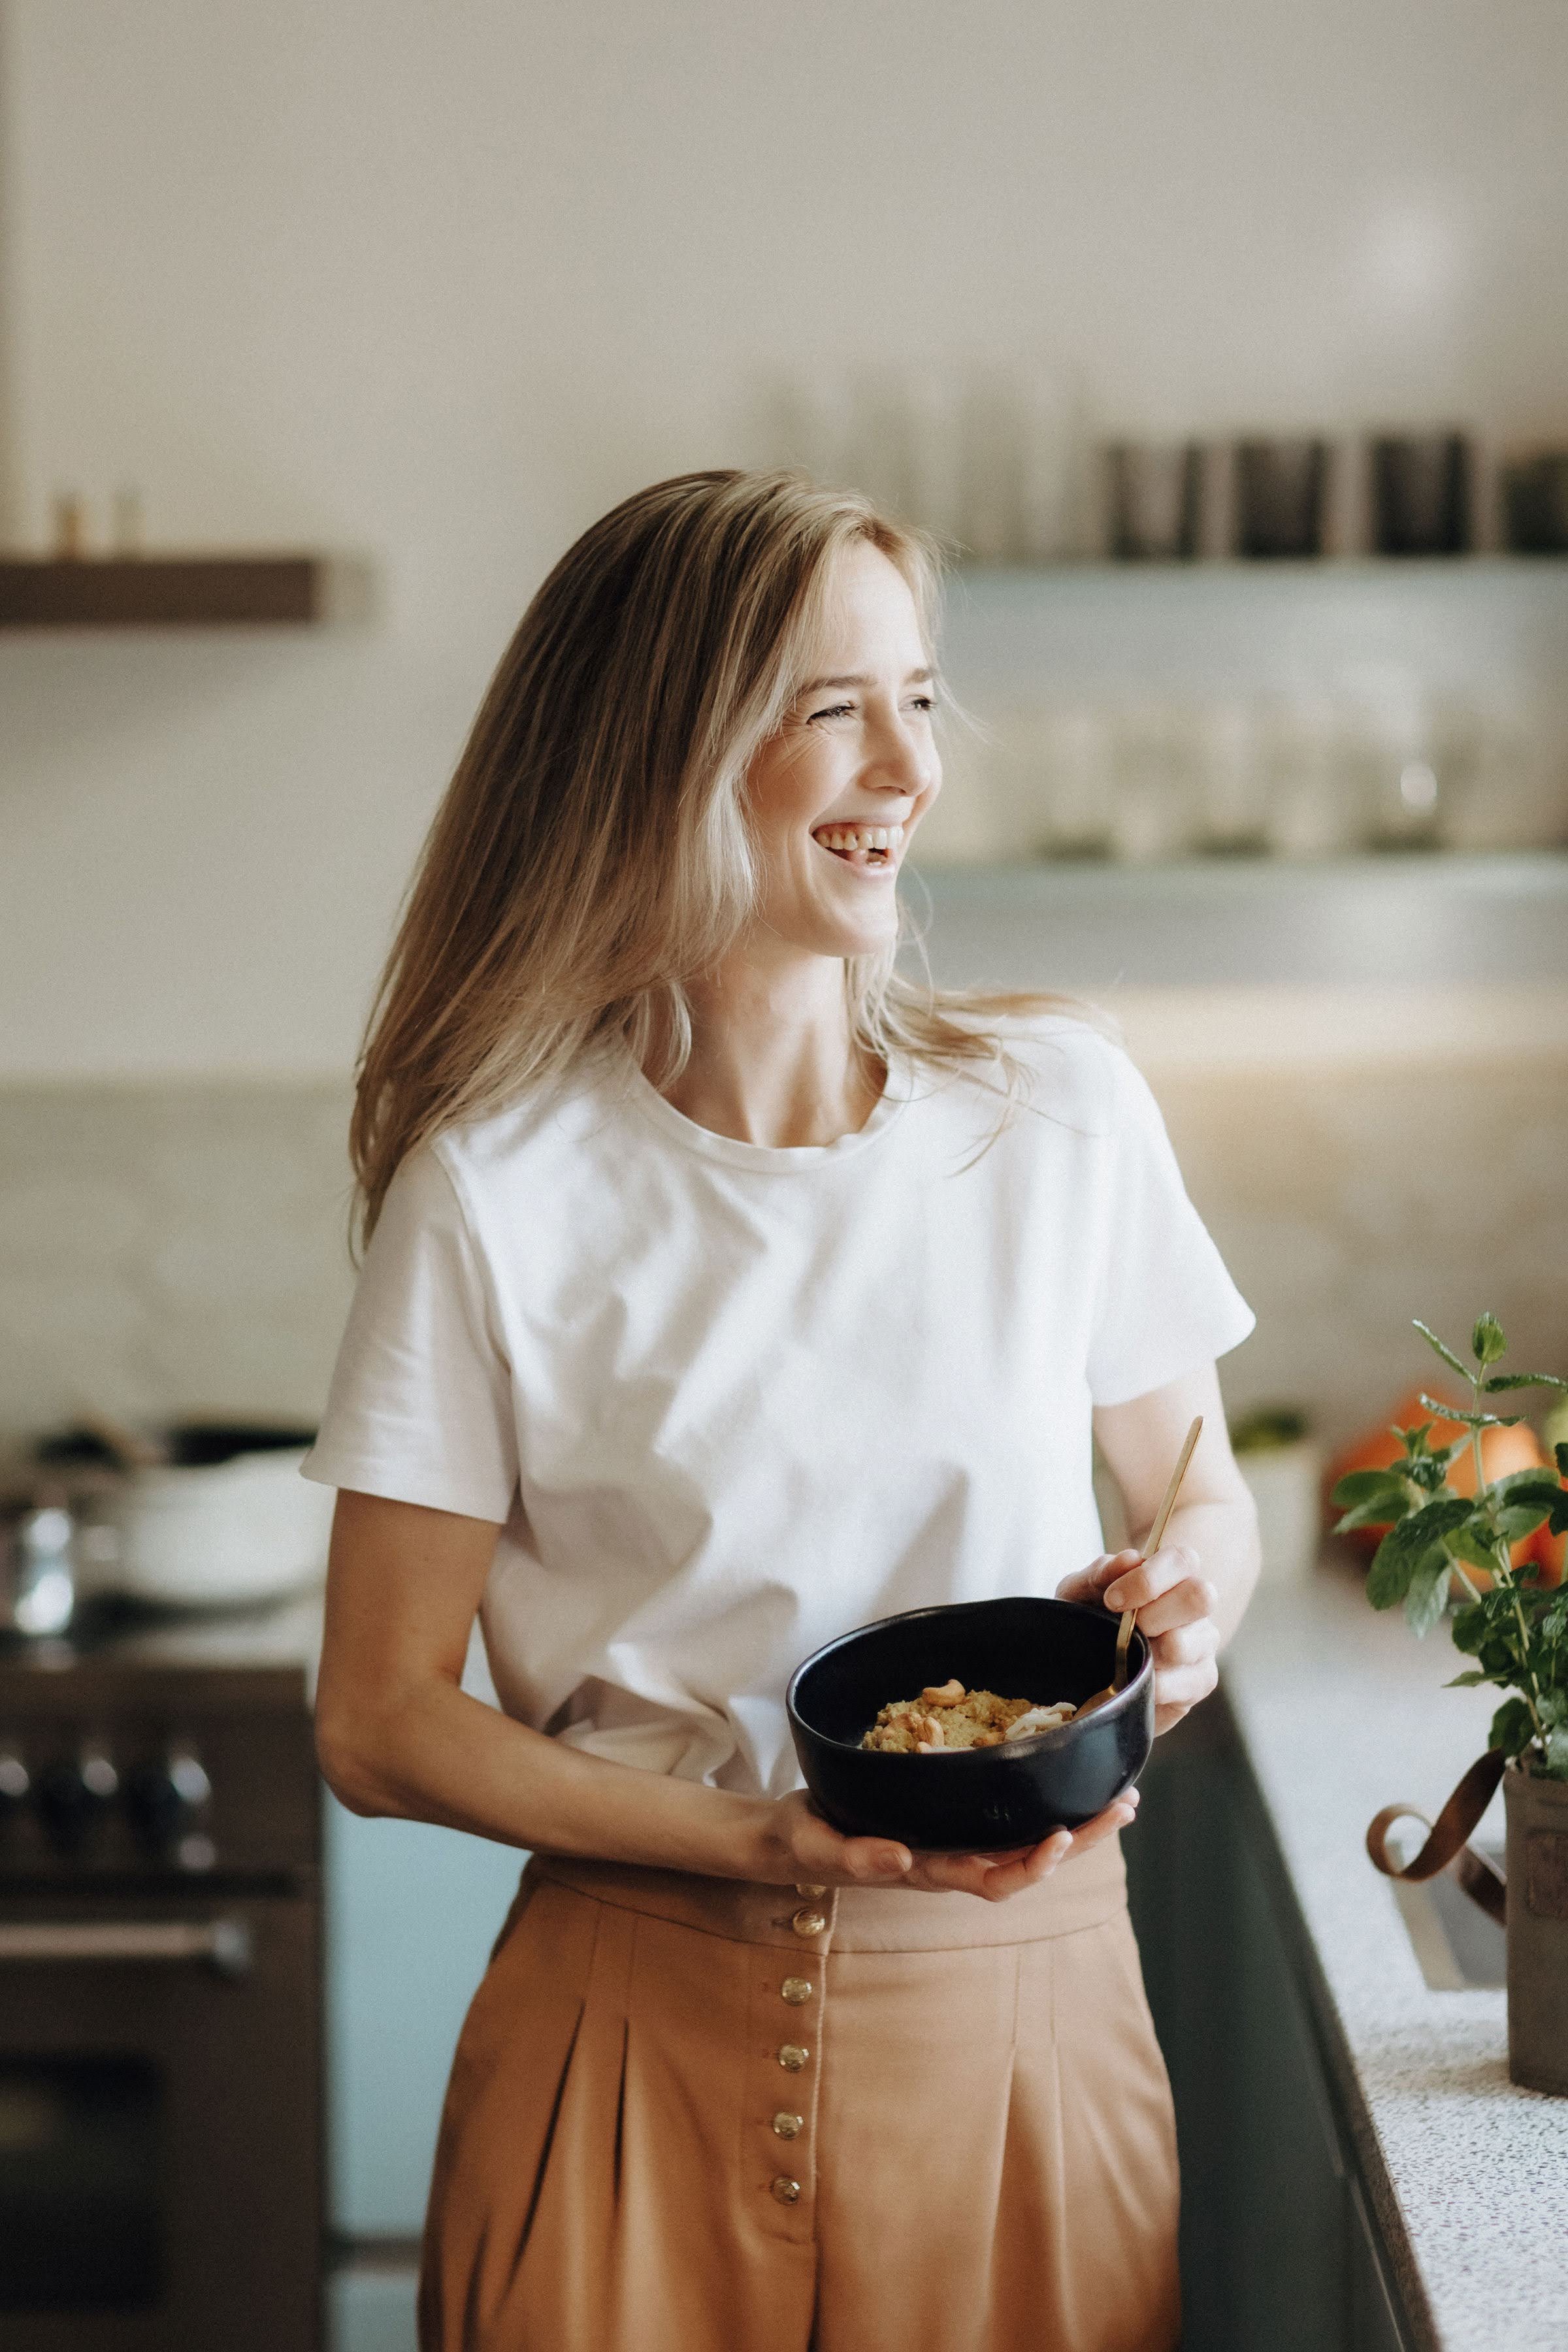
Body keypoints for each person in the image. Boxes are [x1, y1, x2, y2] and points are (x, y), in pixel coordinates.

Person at [308, 469, 1260, 2352]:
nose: (906, 768)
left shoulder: (1060, 1113)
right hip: (626, 2034)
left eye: (918, 699)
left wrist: (1188, 1610)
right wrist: (760, 1844)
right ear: (659, 755)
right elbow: (378, 1716)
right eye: (834, 712)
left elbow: (1198, 1489)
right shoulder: (498, 1190)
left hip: (1023, 2022)